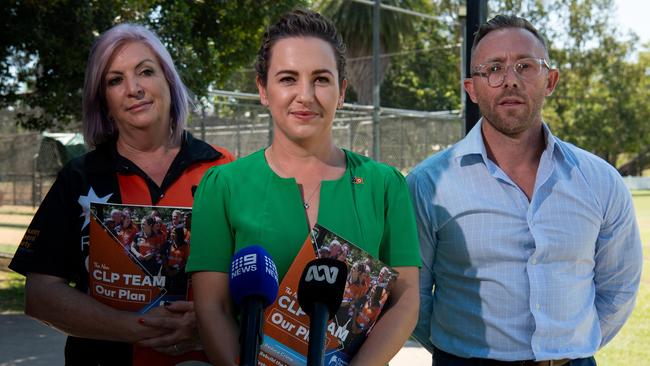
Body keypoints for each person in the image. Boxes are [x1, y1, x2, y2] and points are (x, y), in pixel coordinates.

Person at [186, 9, 421, 366]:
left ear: (342, 91)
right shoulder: (222, 186)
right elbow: (211, 306)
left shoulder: (385, 186)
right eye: (288, 78)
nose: (305, 95)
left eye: (321, 79)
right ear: (263, 90)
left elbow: (406, 301)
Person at [408, 15, 642, 366]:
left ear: (551, 81)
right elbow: (414, 297)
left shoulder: (600, 181)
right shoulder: (429, 184)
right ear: (472, 88)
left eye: (525, 66)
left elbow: (618, 288)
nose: (510, 81)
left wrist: (567, 350)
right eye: (494, 68)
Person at [9, 23, 235, 365]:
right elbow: (40, 296)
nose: (134, 89)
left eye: (146, 71)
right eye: (115, 80)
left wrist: (208, 321)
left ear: (168, 81)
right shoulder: (80, 178)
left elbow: (259, 279)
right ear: (103, 101)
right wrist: (136, 327)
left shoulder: (225, 170)